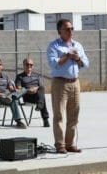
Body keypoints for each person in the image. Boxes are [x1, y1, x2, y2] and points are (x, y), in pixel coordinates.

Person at [47, 18, 89, 154]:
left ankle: (70, 144)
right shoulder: (54, 46)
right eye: (67, 29)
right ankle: (60, 145)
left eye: (72, 28)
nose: (70, 31)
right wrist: (67, 55)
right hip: (60, 83)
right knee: (59, 115)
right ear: (60, 31)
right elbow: (54, 63)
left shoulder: (78, 45)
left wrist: (77, 58)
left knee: (74, 116)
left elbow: (86, 64)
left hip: (75, 83)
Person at [0, 58, 27, 129]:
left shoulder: (5, 76)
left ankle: (11, 97)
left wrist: (14, 90)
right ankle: (18, 121)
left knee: (24, 89)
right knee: (14, 100)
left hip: (6, 96)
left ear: (2, 66)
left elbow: (10, 88)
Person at [15, 57, 50, 128]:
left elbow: (41, 86)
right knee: (42, 99)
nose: (29, 66)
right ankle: (45, 119)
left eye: (31, 65)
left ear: (33, 66)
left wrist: (35, 88)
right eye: (27, 64)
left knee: (41, 89)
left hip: (37, 95)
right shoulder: (20, 77)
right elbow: (18, 88)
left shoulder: (36, 76)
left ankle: (40, 105)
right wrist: (28, 90)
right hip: (27, 96)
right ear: (23, 65)